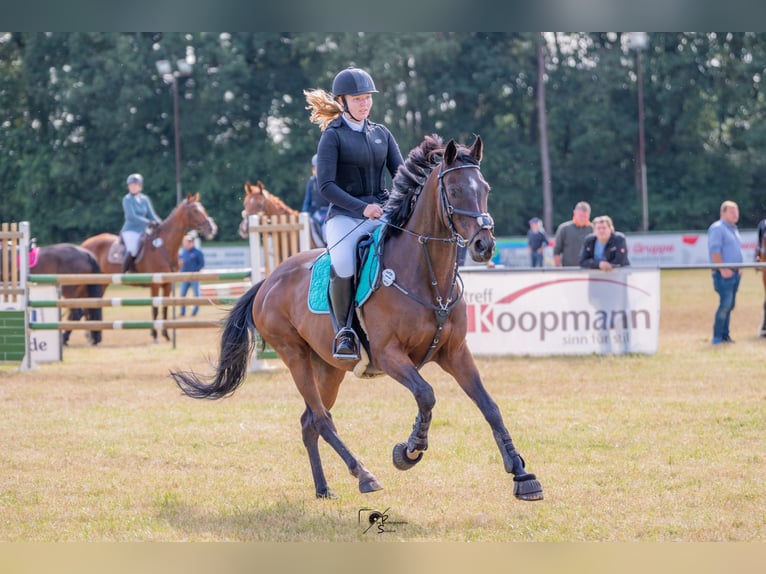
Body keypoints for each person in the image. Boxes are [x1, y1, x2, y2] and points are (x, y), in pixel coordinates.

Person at [305, 66, 404, 359]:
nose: (364, 104)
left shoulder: (382, 134)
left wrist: (398, 202)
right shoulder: (332, 136)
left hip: (382, 214)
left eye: (367, 98)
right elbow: (326, 186)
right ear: (342, 101)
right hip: (345, 218)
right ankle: (345, 331)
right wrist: (362, 207)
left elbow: (401, 175)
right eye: (358, 98)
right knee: (345, 264)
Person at [707, 200, 743, 345]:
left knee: (730, 304)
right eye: (732, 211)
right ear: (723, 212)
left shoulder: (734, 229)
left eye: (737, 211)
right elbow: (714, 250)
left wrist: (739, 268)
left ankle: (725, 335)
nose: (735, 214)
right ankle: (717, 337)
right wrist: (722, 269)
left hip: (734, 273)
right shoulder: (717, 228)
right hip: (724, 274)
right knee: (725, 304)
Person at [120, 173, 161, 273]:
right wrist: (149, 222)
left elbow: (152, 214)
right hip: (130, 230)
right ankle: (125, 271)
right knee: (132, 249)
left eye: (135, 185)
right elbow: (132, 216)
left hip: (143, 230)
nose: (132, 187)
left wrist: (160, 223)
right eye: (130, 185)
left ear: (140, 186)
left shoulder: (145, 199)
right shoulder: (127, 199)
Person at [301, 153, 330, 247]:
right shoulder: (311, 182)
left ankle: (327, 244)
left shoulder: (330, 180)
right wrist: (304, 213)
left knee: (326, 227)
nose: (316, 169)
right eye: (315, 167)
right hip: (316, 212)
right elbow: (307, 200)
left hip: (329, 211)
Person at [553, 201, 592, 267]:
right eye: (580, 216)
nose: (582, 218)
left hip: (588, 269)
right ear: (574, 213)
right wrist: (558, 268)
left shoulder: (593, 229)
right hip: (568, 269)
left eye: (585, 216)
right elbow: (557, 250)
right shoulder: (564, 228)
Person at [178, 233, 205, 317]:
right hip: (185, 276)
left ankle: (195, 311)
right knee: (182, 295)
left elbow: (201, 264)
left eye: (188, 242)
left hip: (194, 277)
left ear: (192, 242)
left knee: (196, 295)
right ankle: (182, 312)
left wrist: (195, 270)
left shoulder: (198, 252)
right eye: (186, 242)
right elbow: (179, 263)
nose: (187, 243)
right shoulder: (183, 252)